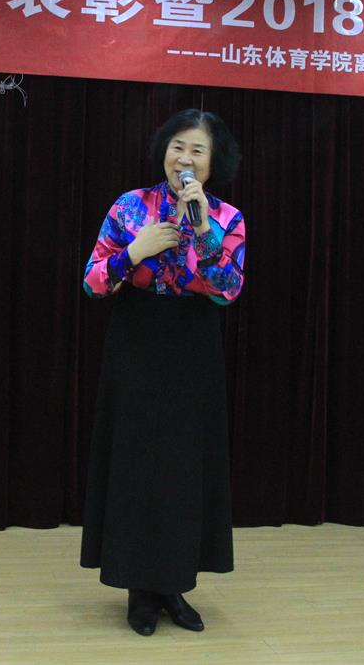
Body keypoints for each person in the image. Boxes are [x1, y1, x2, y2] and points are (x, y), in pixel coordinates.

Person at [79, 109, 246, 636]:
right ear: (163, 151)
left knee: (183, 470)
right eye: (178, 147)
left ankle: (174, 585)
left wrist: (203, 230)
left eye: (197, 150)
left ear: (214, 163)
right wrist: (135, 250)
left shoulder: (227, 217)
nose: (185, 159)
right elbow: (92, 283)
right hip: (136, 344)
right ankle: (138, 590)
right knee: (136, 465)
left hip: (192, 350)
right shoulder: (131, 206)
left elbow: (227, 291)